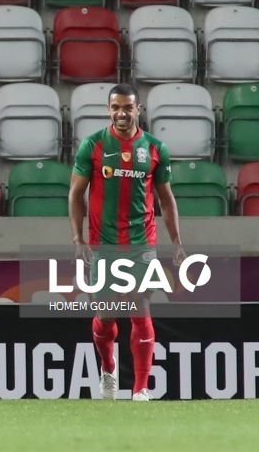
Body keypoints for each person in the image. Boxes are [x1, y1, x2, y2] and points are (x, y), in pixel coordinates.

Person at [68, 83, 186, 402]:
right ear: (109, 110)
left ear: (138, 109)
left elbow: (166, 199)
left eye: (128, 107)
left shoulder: (155, 148)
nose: (122, 113)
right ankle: (109, 369)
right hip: (103, 245)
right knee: (106, 316)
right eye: (116, 107)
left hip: (141, 242)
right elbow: (76, 194)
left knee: (140, 308)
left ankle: (141, 388)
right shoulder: (92, 146)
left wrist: (176, 242)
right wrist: (78, 238)